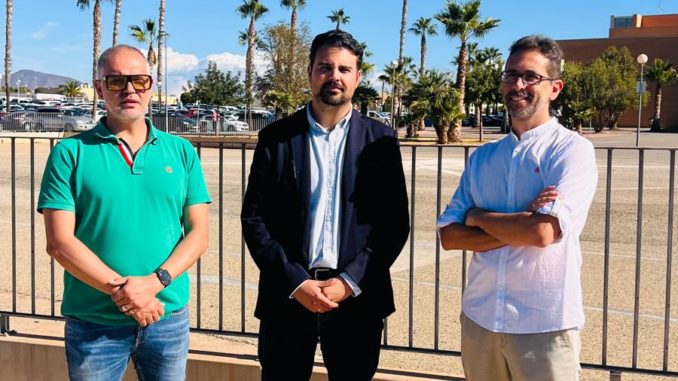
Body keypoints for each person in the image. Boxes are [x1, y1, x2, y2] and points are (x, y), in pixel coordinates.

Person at [241, 30, 410, 381]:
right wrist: (295, 281)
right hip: (288, 297)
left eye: (345, 69)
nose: (334, 76)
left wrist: (349, 282)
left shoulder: (381, 141)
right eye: (325, 67)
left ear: (357, 77)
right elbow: (255, 219)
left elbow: (394, 225)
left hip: (356, 302)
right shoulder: (276, 138)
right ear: (310, 73)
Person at [38, 44, 211, 380]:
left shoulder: (182, 152)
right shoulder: (70, 153)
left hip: (167, 318)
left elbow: (198, 233)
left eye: (140, 81)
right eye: (116, 81)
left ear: (151, 85)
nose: (130, 90)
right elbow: (59, 242)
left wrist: (154, 284)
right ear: (100, 86)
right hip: (94, 325)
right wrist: (130, 294)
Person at [437, 35, 598, 381]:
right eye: (510, 75)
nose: (518, 85)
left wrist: (478, 217)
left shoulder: (572, 151)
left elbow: (542, 233)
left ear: (555, 88)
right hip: (480, 319)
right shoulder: (484, 157)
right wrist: (520, 223)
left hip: (543, 324)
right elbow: (449, 236)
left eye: (530, 77)